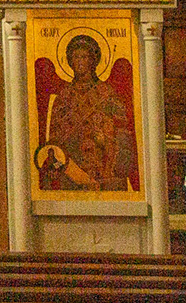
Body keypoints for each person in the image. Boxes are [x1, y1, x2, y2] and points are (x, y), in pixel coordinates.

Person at [36, 34, 137, 192]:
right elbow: (54, 139)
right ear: (70, 62)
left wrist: (106, 141)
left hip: (104, 172)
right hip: (72, 174)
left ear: (93, 61)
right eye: (76, 57)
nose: (80, 61)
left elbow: (123, 135)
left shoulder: (108, 95)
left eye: (84, 57)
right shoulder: (63, 97)